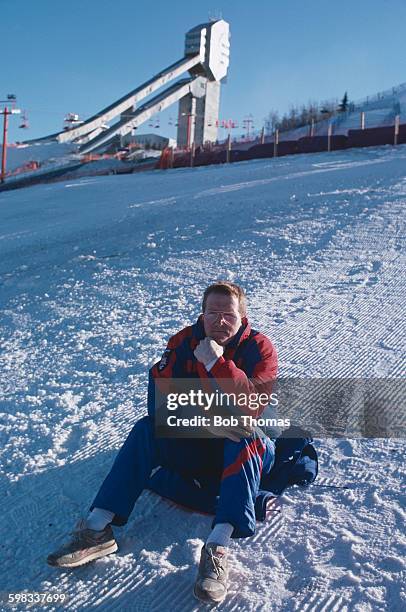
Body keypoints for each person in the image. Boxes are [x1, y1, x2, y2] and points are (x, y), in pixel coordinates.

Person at [47, 281, 278, 604]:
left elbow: (251, 409)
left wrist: (217, 364)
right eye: (213, 313)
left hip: (247, 446)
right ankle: (98, 527)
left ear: (243, 317)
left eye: (228, 314)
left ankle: (218, 545)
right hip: (201, 436)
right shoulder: (184, 341)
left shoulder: (259, 348)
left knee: (246, 435)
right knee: (146, 429)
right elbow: (160, 405)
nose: (220, 321)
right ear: (202, 314)